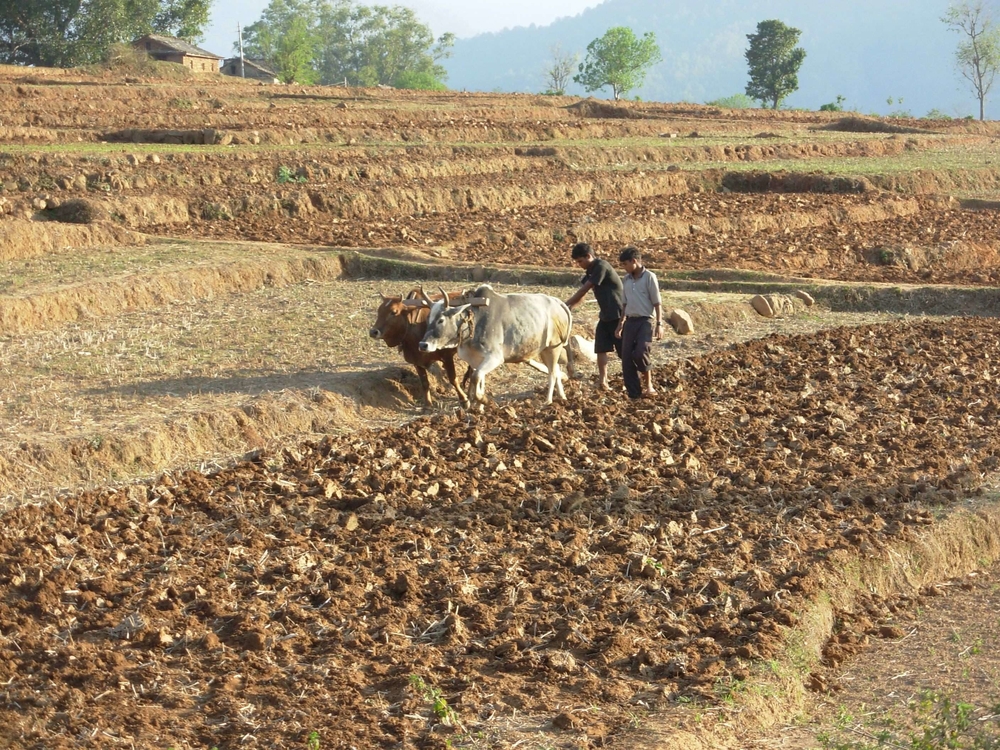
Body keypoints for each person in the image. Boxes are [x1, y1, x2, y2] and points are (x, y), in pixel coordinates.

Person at [564, 242, 624, 390]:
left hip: (618, 315)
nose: (579, 264)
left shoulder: (601, 266)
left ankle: (631, 377)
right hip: (605, 315)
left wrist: (564, 305)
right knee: (601, 348)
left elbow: (585, 289)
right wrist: (569, 308)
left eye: (580, 261)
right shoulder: (590, 271)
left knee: (624, 352)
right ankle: (603, 381)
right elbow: (582, 296)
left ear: (589, 256)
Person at [615, 245, 662, 399]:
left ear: (634, 261)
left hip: (645, 320)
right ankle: (634, 394)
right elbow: (625, 304)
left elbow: (657, 302)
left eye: (625, 264)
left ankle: (649, 385)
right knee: (626, 359)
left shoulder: (649, 277)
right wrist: (621, 323)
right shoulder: (626, 279)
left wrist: (659, 324)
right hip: (630, 321)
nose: (624, 268)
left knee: (641, 352)